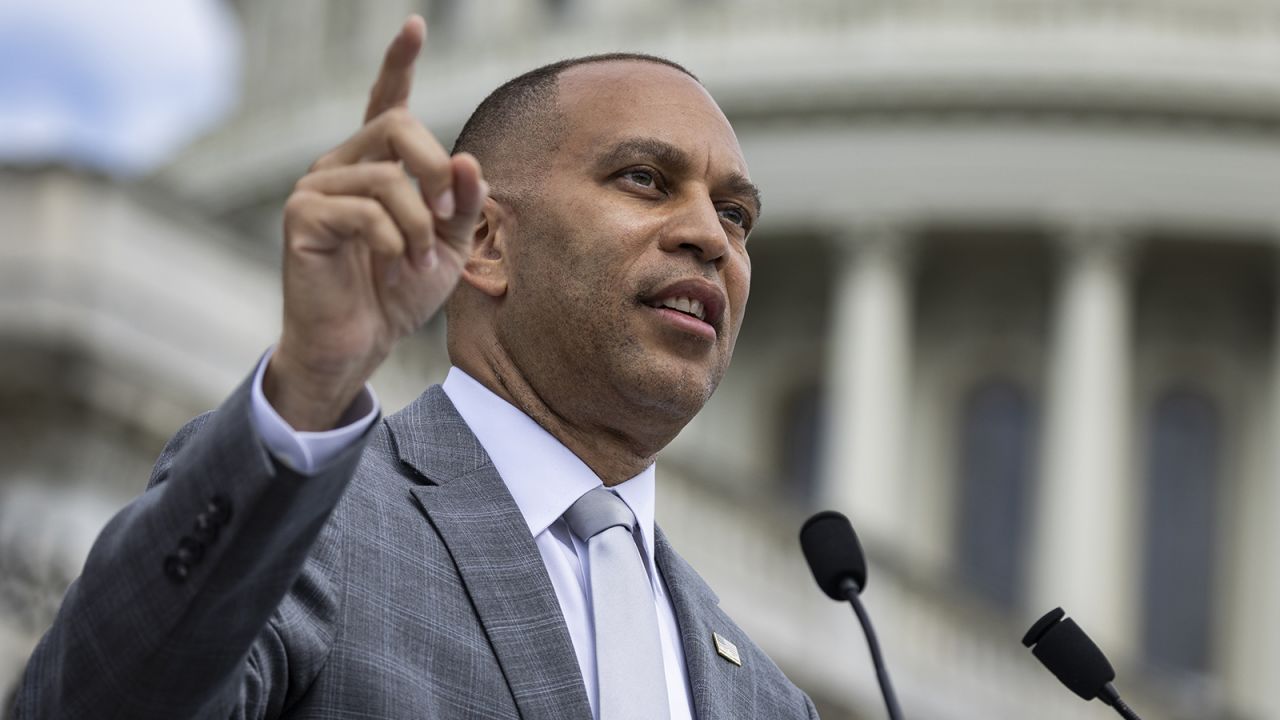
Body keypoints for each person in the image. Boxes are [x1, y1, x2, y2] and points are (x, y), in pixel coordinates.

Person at [15, 16, 817, 720]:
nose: (710, 238)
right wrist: (308, 384)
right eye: (644, 179)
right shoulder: (305, 527)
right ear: (484, 243)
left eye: (736, 215)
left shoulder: (769, 698)